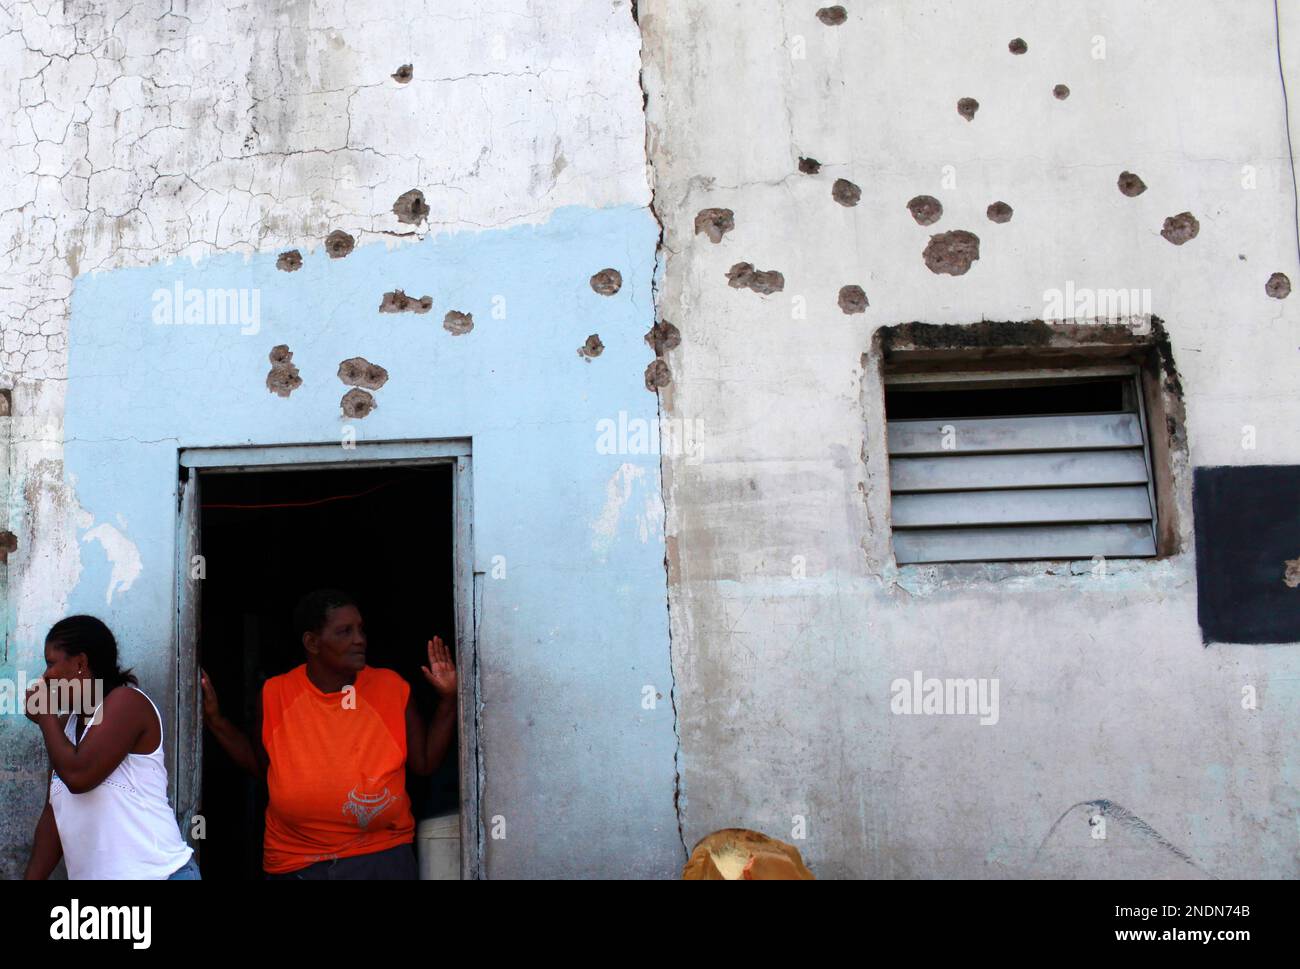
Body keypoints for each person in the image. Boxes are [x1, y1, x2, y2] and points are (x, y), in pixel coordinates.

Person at [202, 588, 457, 879]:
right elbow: (263, 767)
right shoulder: (276, 693)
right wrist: (216, 721)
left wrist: (448, 700)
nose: (359, 639)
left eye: (360, 629)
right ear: (312, 642)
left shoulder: (390, 687)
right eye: (344, 632)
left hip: (379, 857)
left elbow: (424, 763)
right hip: (296, 861)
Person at [23, 615, 199, 880]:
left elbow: (78, 777)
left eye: (51, 663)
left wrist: (45, 714)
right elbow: (54, 815)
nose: (45, 675)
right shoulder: (65, 726)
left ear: (81, 663)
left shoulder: (126, 703)